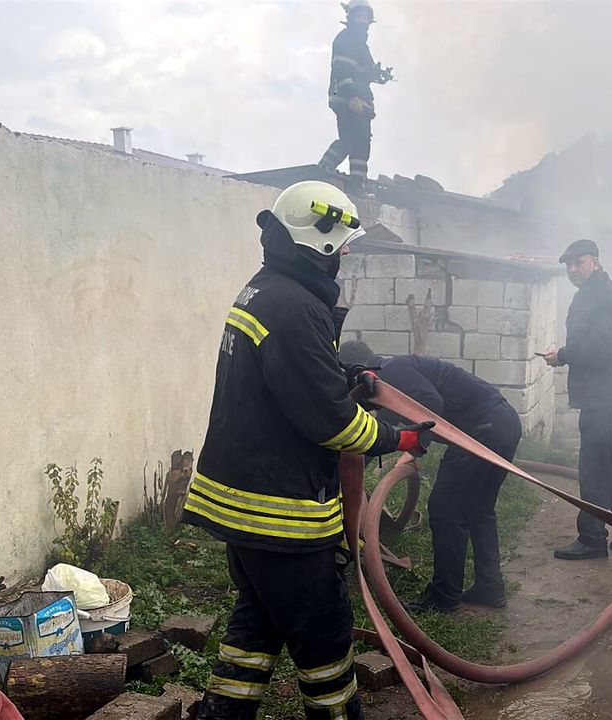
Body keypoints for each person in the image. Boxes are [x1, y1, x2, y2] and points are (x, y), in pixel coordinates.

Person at [188, 180, 432, 720]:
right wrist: (399, 438)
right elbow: (332, 424)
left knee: (259, 622)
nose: (345, 254)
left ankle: (222, 715)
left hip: (243, 506)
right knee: (322, 636)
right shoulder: (296, 307)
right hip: (282, 515)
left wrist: (341, 375)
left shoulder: (264, 290)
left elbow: (286, 381)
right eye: (341, 244)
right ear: (318, 241)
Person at [339, 340, 522, 612]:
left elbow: (430, 403)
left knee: (445, 508)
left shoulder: (388, 373)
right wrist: (347, 477)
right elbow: (377, 434)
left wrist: (415, 448)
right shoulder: (389, 381)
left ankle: (444, 597)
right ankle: (489, 587)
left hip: (482, 429)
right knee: (479, 509)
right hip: (503, 423)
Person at [543, 239, 612, 561]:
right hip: (608, 394)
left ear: (596, 262)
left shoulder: (606, 297)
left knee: (594, 467)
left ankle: (592, 539)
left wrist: (562, 355)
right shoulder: (592, 293)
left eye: (579, 263)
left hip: (608, 397)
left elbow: (601, 348)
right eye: (568, 265)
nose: (573, 269)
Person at [317, 0, 391, 191]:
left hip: (361, 98)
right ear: (350, 17)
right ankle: (322, 170)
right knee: (350, 139)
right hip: (345, 97)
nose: (363, 20)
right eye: (359, 16)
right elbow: (342, 69)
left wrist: (376, 75)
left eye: (366, 17)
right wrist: (352, 97)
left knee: (362, 142)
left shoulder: (361, 44)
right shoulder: (346, 39)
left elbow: (363, 72)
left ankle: (358, 183)